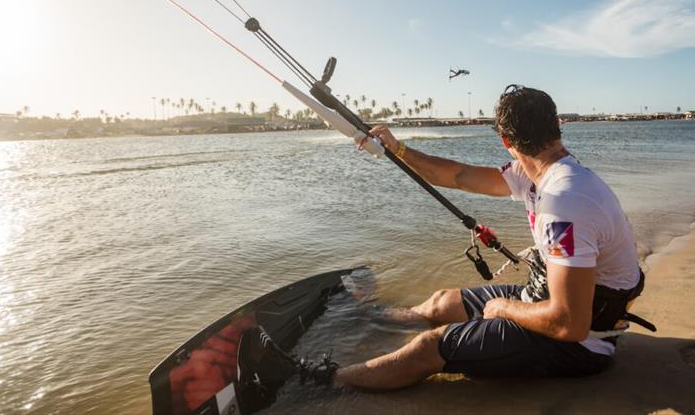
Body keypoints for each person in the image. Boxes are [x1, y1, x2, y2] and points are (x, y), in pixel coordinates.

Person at [244, 84, 647, 394]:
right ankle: (365, 318)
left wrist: (503, 308)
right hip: (547, 300)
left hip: (584, 345)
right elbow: (455, 176)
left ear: (506, 140)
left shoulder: (565, 202)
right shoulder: (537, 174)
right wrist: (397, 149)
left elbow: (569, 324)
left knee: (429, 346)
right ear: (558, 127)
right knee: (441, 302)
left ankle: (317, 378)